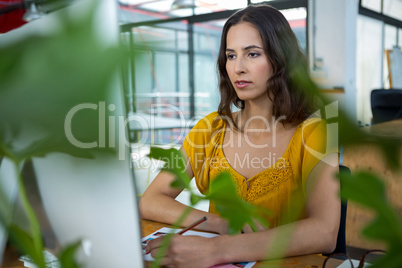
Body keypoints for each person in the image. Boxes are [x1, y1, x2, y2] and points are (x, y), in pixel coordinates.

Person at [139, 4, 340, 267]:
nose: (238, 68)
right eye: (231, 56)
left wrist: (218, 249)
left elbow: (324, 232)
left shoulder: (317, 134)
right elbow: (151, 200)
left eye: (253, 54)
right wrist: (221, 224)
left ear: (283, 60)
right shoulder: (209, 129)